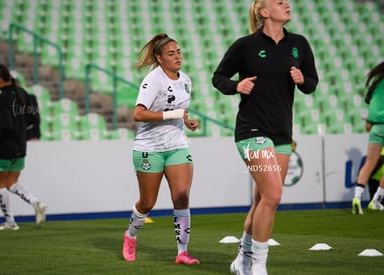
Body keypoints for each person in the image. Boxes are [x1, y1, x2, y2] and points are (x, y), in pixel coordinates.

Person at [212, 1, 318, 274]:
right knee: (272, 195)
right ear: (263, 12)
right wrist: (237, 85)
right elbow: (219, 77)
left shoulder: (300, 44)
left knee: (262, 201)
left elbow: (312, 82)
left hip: (282, 132)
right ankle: (257, 266)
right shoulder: (244, 45)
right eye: (279, 2)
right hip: (252, 130)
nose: (287, 4)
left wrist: (302, 79)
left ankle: (241, 261)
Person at [122, 33, 200, 265]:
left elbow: (179, 110)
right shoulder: (153, 80)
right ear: (159, 58)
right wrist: (174, 114)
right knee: (147, 203)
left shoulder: (185, 79)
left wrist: (186, 121)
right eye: (171, 53)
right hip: (149, 148)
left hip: (177, 145)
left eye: (178, 52)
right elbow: (138, 113)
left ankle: (182, 252)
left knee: (182, 196)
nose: (177, 56)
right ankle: (130, 236)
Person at [0, 64, 47, 230]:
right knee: (12, 183)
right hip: (20, 146)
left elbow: (6, 127)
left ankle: (10, 222)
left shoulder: (2, 98)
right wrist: (21, 131)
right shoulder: (22, 93)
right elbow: (33, 118)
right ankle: (36, 202)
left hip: (4, 148)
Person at [352, 61, 384, 214]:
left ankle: (357, 197)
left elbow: (370, 103)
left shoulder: (376, 83)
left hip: (375, 127)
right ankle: (377, 199)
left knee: (369, 162)